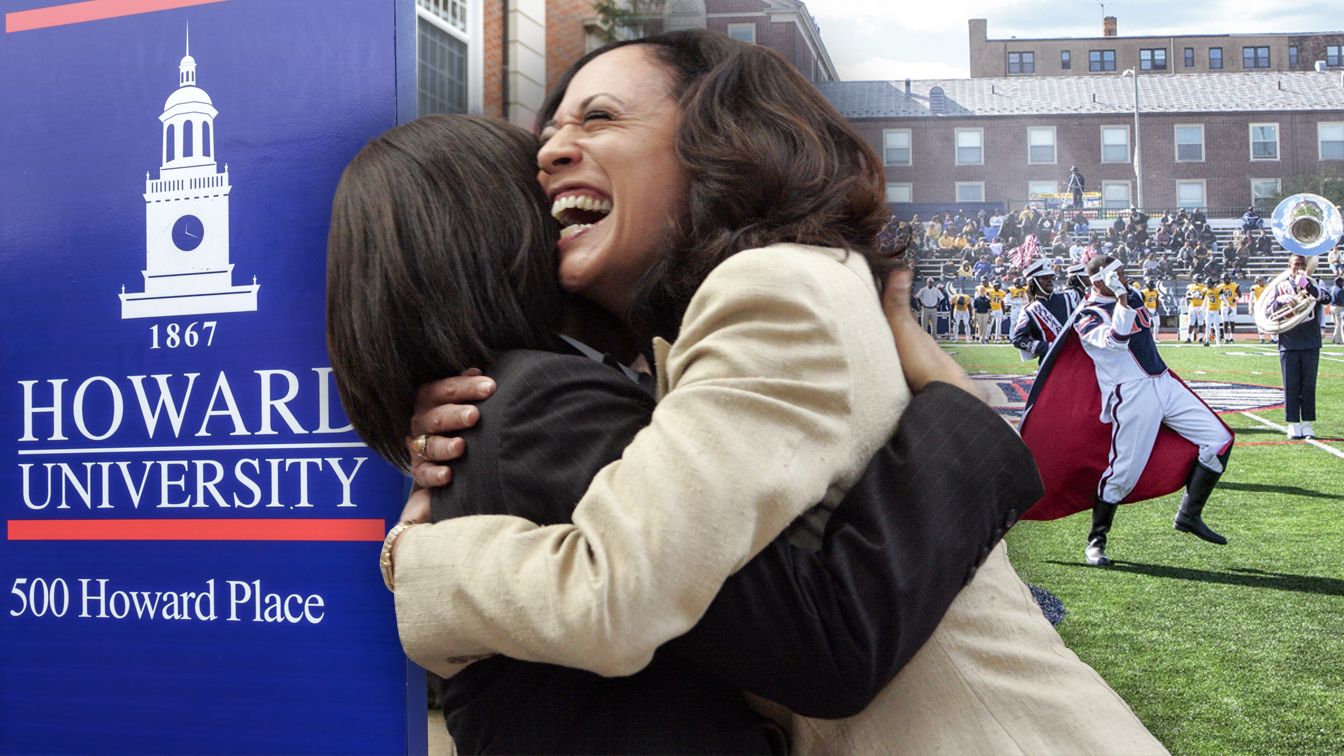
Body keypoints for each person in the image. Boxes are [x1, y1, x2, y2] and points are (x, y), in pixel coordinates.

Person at [390, 34, 1166, 755]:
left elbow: (619, 595)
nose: (552, 151)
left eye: (599, 118)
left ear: (720, 141)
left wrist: (419, 563)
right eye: (548, 132)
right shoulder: (697, 336)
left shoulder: (770, 288)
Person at [327, 114, 1043, 754]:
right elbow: (827, 640)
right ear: (505, 232)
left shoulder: (504, 408)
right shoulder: (539, 403)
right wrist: (959, 412)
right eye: (550, 206)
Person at [1068, 256, 1234, 566]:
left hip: (1162, 380)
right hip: (1131, 391)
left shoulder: (1133, 295)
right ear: (1100, 281)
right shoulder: (1087, 314)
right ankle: (1096, 541)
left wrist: (1123, 296)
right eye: (1118, 274)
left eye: (1124, 272)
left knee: (1219, 439)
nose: (1126, 277)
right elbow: (1116, 342)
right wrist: (1118, 299)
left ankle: (1189, 515)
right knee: (1122, 474)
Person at [1272, 255, 1324, 439]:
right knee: (1291, 385)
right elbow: (1268, 311)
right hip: (1289, 341)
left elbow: (1324, 298)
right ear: (1289, 266)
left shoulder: (1314, 282)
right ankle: (1293, 423)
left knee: (1308, 385)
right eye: (1296, 264)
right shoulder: (1279, 286)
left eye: (1303, 264)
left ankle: (1308, 423)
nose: (1300, 267)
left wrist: (1307, 285)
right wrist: (1279, 301)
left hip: (1310, 341)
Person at [1011, 258, 1074, 364]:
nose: (1050, 280)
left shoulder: (1068, 298)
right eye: (1045, 278)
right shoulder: (1029, 310)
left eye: (1051, 277)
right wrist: (1048, 347)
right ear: (1034, 282)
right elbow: (1018, 340)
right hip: (1050, 363)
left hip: (1074, 359)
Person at [1185, 276, 1207, 344]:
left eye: (1200, 279)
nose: (1199, 281)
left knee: (1201, 323)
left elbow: (1206, 297)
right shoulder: (1190, 286)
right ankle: (1188, 338)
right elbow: (1187, 297)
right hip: (1192, 306)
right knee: (1191, 323)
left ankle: (1200, 338)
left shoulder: (1204, 287)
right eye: (1198, 280)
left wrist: (1200, 297)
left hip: (1200, 307)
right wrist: (1192, 296)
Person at [1252, 275, 1271, 343]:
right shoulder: (1255, 288)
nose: (1262, 282)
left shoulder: (1267, 288)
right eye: (1260, 281)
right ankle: (1262, 338)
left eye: (1262, 280)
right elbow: (1251, 299)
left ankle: (1274, 338)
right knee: (1259, 322)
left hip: (1266, 306)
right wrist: (1250, 308)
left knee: (1270, 320)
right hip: (1258, 306)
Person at [1332, 275, 1344, 345]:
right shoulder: (1339, 290)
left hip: (1332, 306)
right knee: (1339, 323)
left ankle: (1334, 337)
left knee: (1336, 323)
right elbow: (1342, 300)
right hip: (1338, 307)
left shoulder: (1333, 288)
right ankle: (1338, 340)